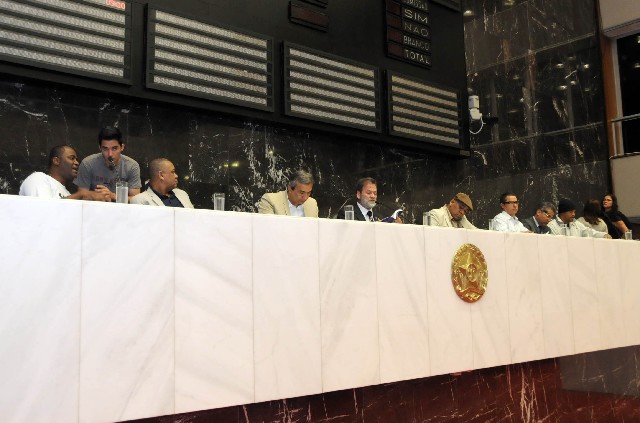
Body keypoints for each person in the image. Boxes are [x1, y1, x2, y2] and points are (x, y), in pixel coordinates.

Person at [19, 145, 111, 201]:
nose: (77, 162)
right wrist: (81, 194)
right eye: (72, 158)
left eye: (76, 159)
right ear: (56, 161)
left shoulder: (68, 194)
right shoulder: (39, 178)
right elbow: (44, 209)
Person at [75, 126, 141, 202]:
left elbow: (135, 200)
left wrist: (113, 196)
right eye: (105, 149)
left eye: (114, 148)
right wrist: (97, 195)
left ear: (122, 147)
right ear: (100, 148)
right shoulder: (87, 164)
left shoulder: (132, 166)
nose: (110, 154)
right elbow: (81, 196)